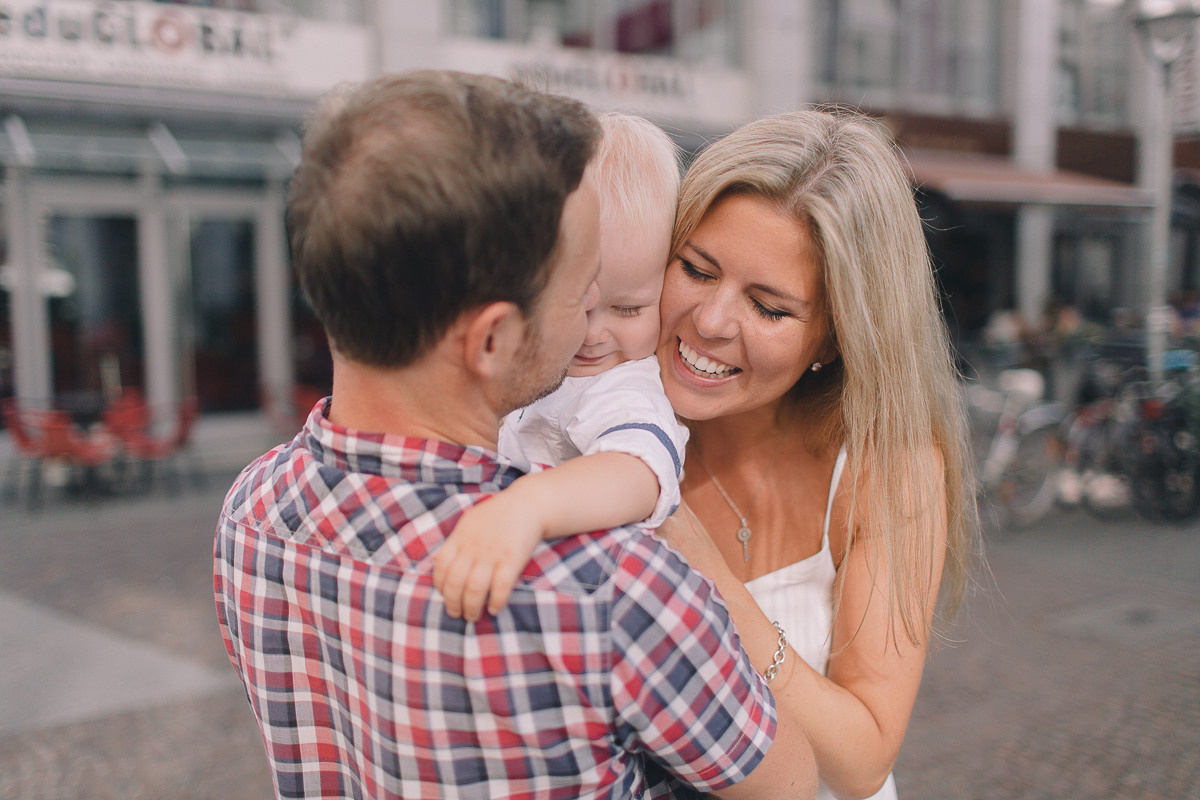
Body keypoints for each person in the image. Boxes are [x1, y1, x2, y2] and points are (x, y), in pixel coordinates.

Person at [213, 70, 817, 800]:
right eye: (578, 288)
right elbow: (786, 785)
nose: (594, 310)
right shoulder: (614, 590)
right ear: (494, 338)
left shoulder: (252, 512)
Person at [653, 109, 981, 800]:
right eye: (695, 268)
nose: (710, 322)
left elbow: (861, 762)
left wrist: (708, 578)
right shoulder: (584, 429)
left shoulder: (888, 465)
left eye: (768, 308)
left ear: (834, 338)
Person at [433, 111, 688, 621]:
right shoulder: (530, 354)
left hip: (585, 602)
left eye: (629, 308)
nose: (594, 334)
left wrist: (528, 506)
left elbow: (639, 469)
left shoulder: (624, 387)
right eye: (579, 302)